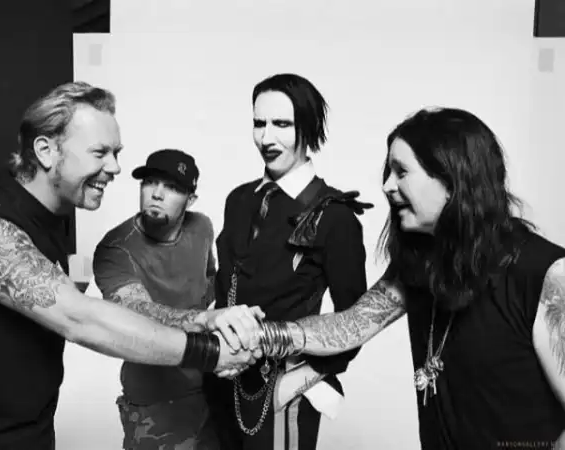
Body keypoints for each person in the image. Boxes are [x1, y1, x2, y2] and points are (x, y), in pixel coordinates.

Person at [0, 81, 263, 450]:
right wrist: (211, 350)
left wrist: (208, 319)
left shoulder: (55, 218)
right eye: (100, 153)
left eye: (116, 152)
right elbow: (80, 318)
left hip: (31, 434)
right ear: (45, 151)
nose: (116, 167)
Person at [257, 107, 565, 449]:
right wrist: (259, 335)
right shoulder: (418, 264)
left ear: (453, 179)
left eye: (401, 172)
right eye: (388, 172)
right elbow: (351, 325)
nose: (387, 186)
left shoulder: (549, 276)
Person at [204, 73, 373, 450]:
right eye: (259, 123)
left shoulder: (335, 216)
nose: (266, 137)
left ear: (307, 128)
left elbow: (356, 322)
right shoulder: (239, 200)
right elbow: (225, 292)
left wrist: (303, 378)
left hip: (284, 391)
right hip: (222, 381)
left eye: (281, 124)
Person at [93, 148, 221, 449]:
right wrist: (203, 320)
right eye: (150, 182)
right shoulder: (116, 248)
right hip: (153, 402)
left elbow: (210, 282)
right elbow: (135, 312)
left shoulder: (201, 228)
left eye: (172, 187)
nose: (157, 194)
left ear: (190, 199)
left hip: (209, 388)